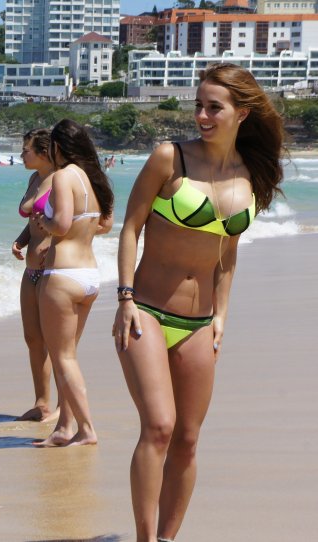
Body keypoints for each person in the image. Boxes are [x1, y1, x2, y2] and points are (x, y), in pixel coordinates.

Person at [112, 63, 285, 542]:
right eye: (199, 105)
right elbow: (130, 228)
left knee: (187, 441)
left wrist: (221, 319)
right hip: (145, 309)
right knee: (160, 427)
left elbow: (226, 257)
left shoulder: (250, 176)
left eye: (215, 107)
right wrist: (124, 297)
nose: (203, 116)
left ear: (242, 113)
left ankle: (168, 538)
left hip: (199, 321)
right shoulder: (170, 158)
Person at [31, 118, 114, 447]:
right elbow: (105, 225)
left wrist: (44, 221)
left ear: (58, 147)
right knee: (69, 356)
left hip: (62, 275)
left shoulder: (64, 176)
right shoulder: (94, 179)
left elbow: (62, 224)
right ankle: (65, 428)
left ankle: (87, 429)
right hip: (90, 275)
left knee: (63, 357)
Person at [12, 128, 59, 422]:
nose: (21, 155)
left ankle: (64, 406)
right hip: (30, 269)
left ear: (43, 152)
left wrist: (53, 244)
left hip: (53, 269)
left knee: (56, 341)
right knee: (32, 337)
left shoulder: (62, 180)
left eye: (26, 150)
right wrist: (21, 240)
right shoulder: (34, 179)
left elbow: (74, 222)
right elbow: (33, 221)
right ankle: (42, 402)